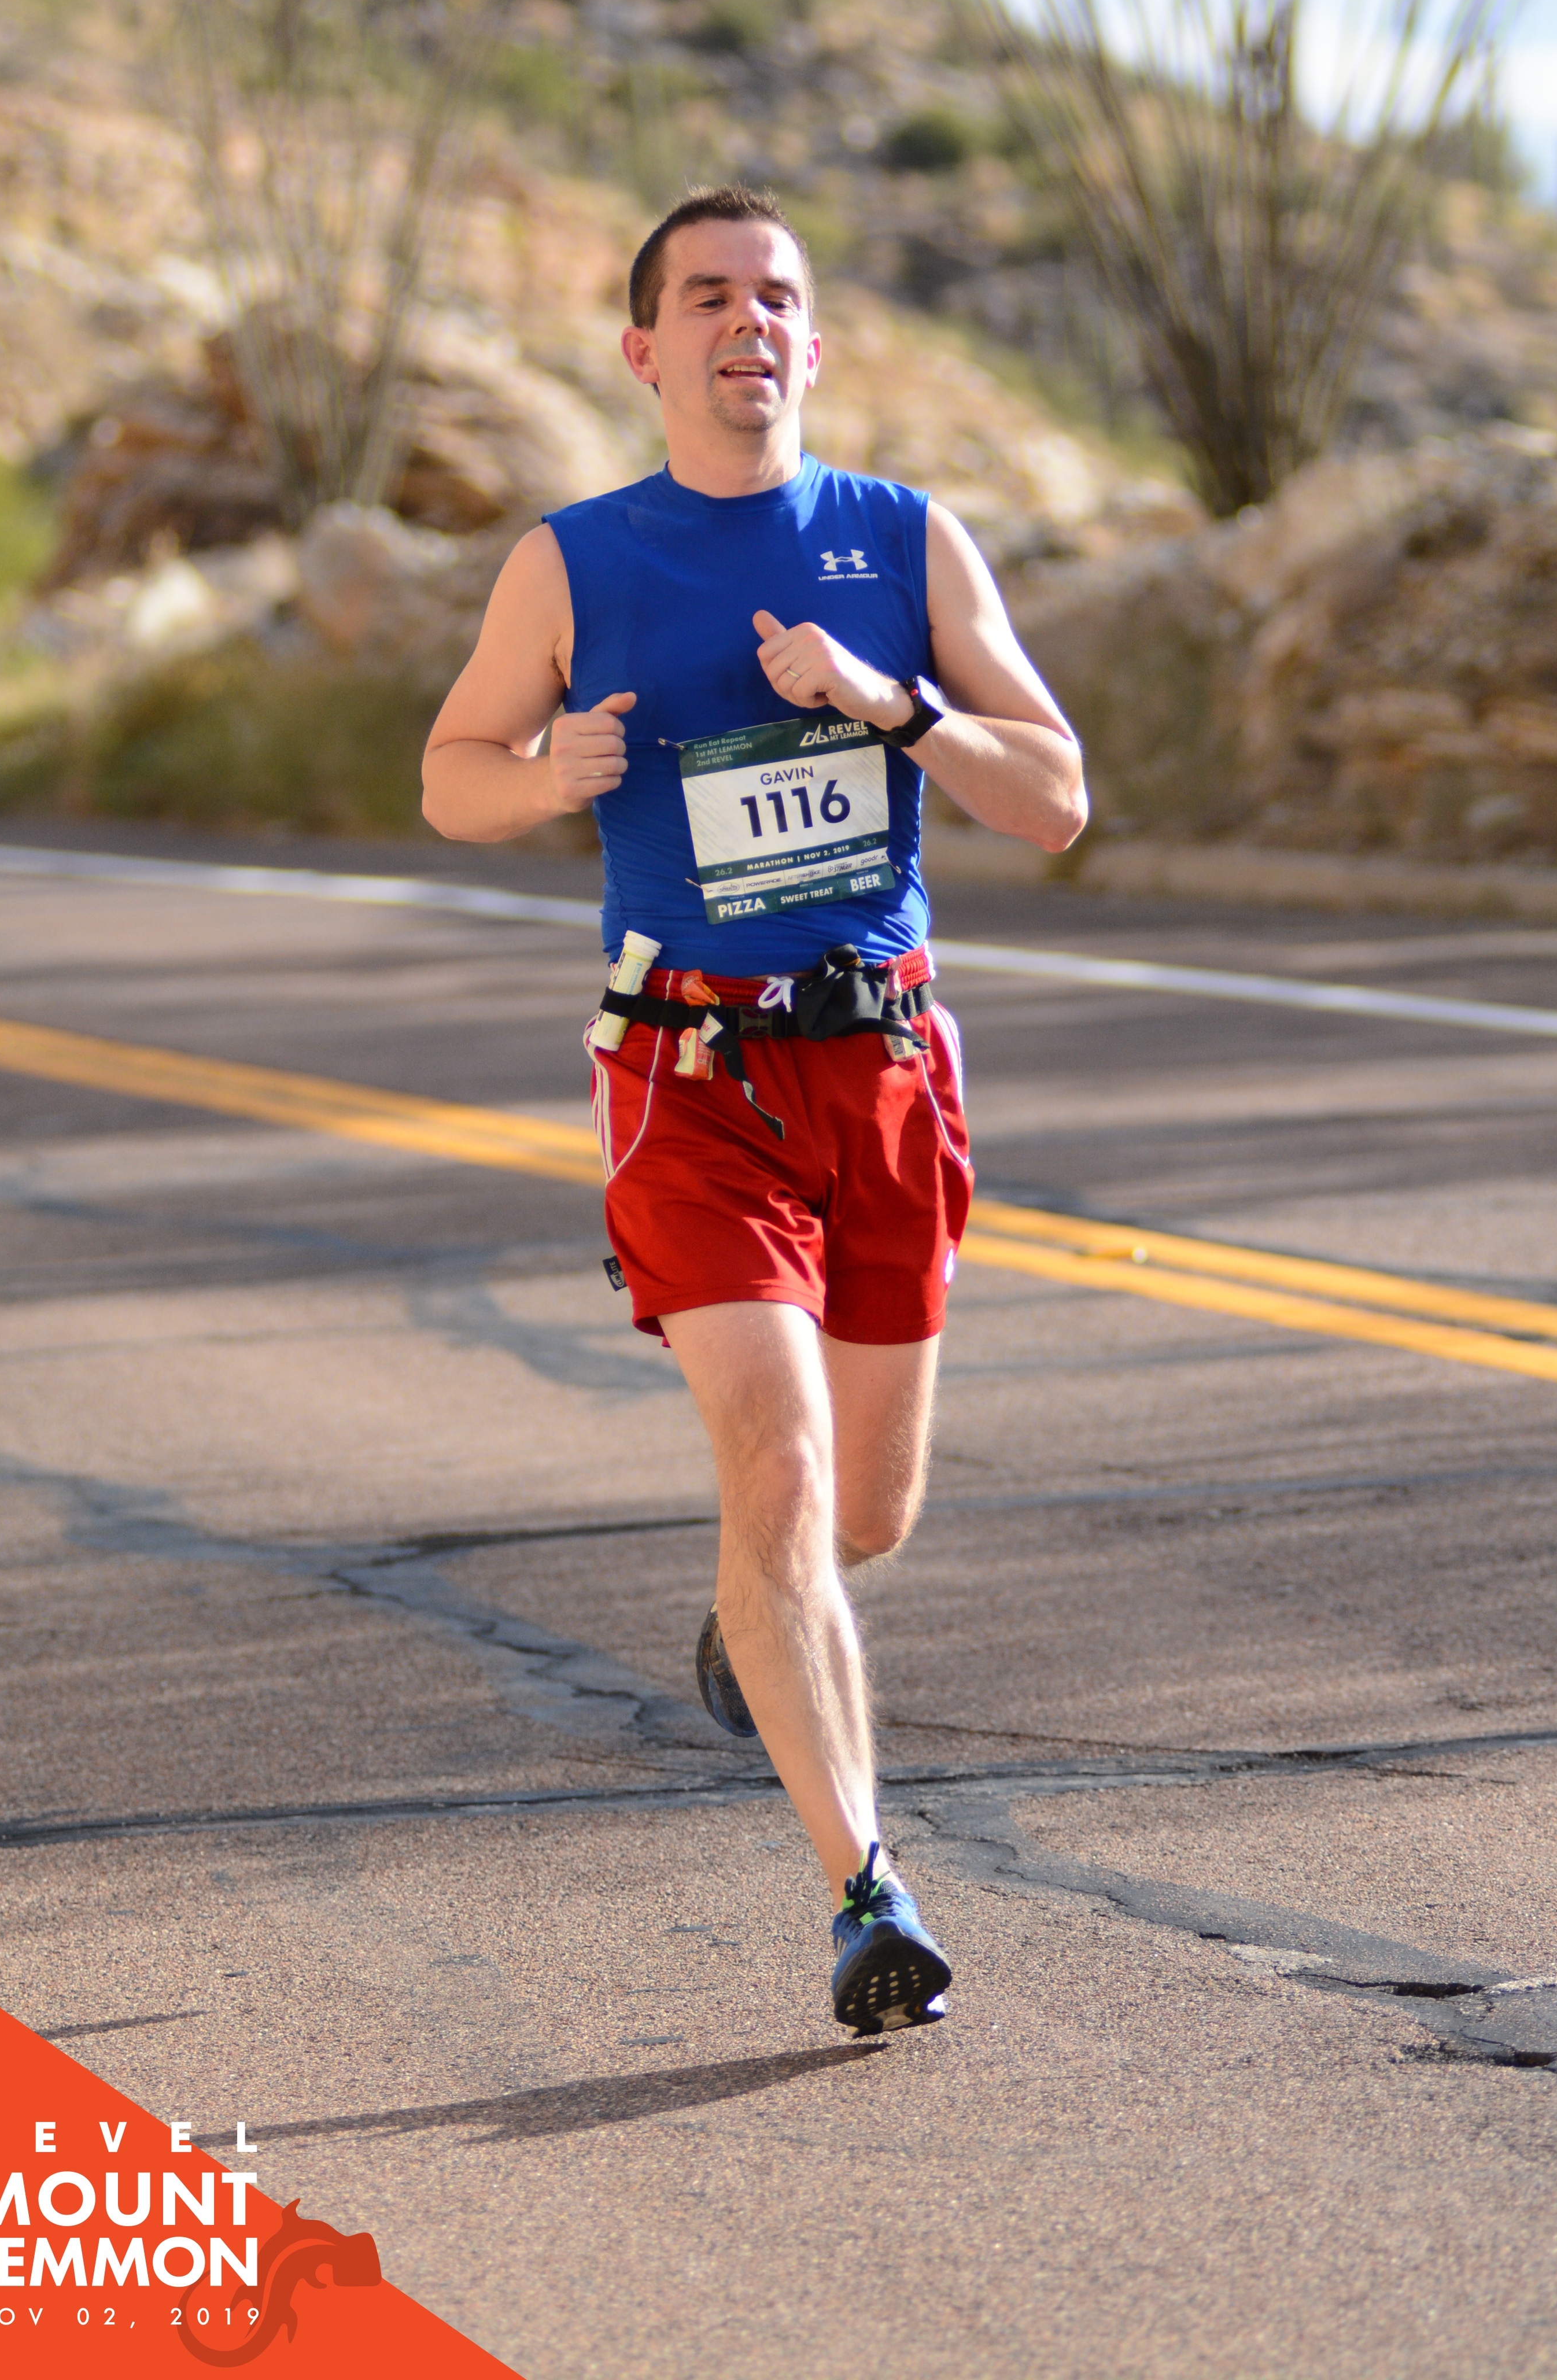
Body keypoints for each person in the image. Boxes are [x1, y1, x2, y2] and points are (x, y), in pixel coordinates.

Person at [422, 185, 1086, 2034]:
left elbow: (1055, 798)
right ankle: (868, 1891)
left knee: (865, 1511)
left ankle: (757, 1613)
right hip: (688, 1078)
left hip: (884, 1073)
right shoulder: (574, 562)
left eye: (777, 295)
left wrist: (894, 706)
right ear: (646, 348)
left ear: (812, 340)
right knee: (778, 1468)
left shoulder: (907, 541)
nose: (749, 322)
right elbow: (450, 775)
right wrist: (543, 775)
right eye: (708, 296)